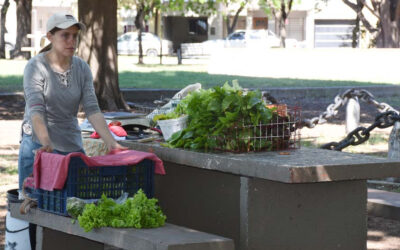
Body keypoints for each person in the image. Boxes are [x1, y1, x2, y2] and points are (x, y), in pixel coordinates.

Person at [18, 12, 127, 194]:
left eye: (75, 36)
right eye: (65, 35)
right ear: (50, 37)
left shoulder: (82, 67)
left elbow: (92, 109)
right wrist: (46, 145)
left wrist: (112, 143)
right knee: (34, 206)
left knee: (75, 202)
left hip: (70, 143)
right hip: (38, 144)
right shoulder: (35, 66)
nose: (72, 41)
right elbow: (36, 110)